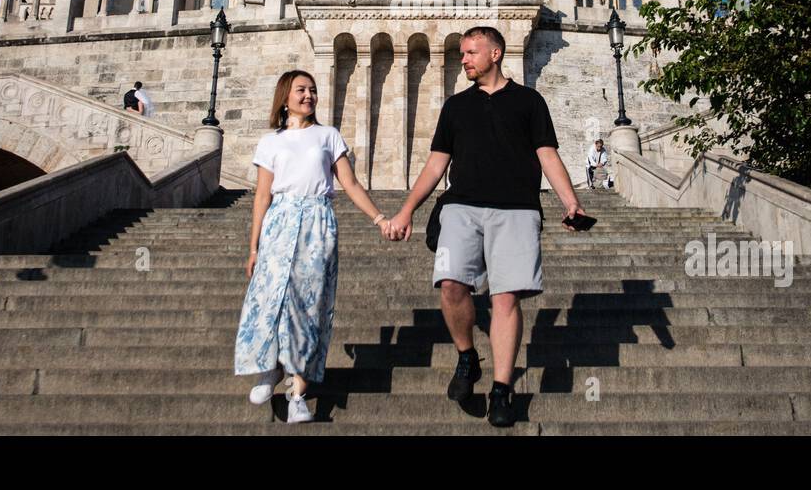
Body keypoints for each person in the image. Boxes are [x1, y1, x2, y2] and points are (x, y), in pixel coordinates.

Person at [385, 26, 584, 427]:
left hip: (517, 209)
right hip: (461, 206)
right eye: (463, 53)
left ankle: (502, 388)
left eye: (472, 52)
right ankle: (466, 355)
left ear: (496, 53)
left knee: (506, 299)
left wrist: (571, 202)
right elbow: (436, 164)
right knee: (451, 284)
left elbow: (547, 155)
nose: (465, 59)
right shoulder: (456, 107)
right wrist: (406, 210)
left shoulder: (529, 101)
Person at [234, 69, 386, 423]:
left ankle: (298, 394)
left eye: (313, 91)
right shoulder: (270, 142)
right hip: (280, 222)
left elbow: (349, 183)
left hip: (318, 221)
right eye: (301, 90)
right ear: (285, 96)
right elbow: (261, 196)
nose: (309, 96)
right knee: (270, 298)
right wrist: (254, 247)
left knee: (309, 305)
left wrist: (379, 219)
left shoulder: (328, 136)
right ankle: (268, 370)